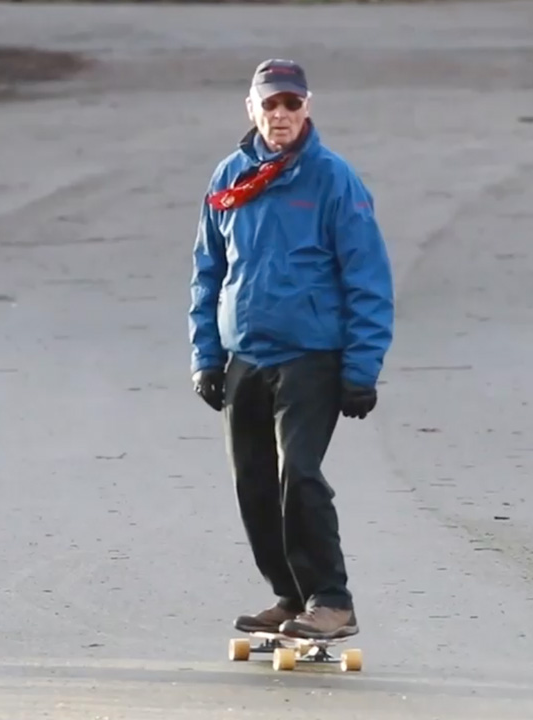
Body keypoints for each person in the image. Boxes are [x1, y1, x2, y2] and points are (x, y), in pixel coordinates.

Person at [188, 59, 395, 641]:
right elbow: (208, 272)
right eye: (270, 105)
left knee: (299, 474)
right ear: (251, 109)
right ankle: (289, 594)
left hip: (312, 354)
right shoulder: (229, 178)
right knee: (252, 480)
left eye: (291, 104)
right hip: (245, 356)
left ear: (308, 108)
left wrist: (360, 368)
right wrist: (206, 356)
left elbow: (367, 277)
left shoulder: (333, 179)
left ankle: (332, 599)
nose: (280, 116)